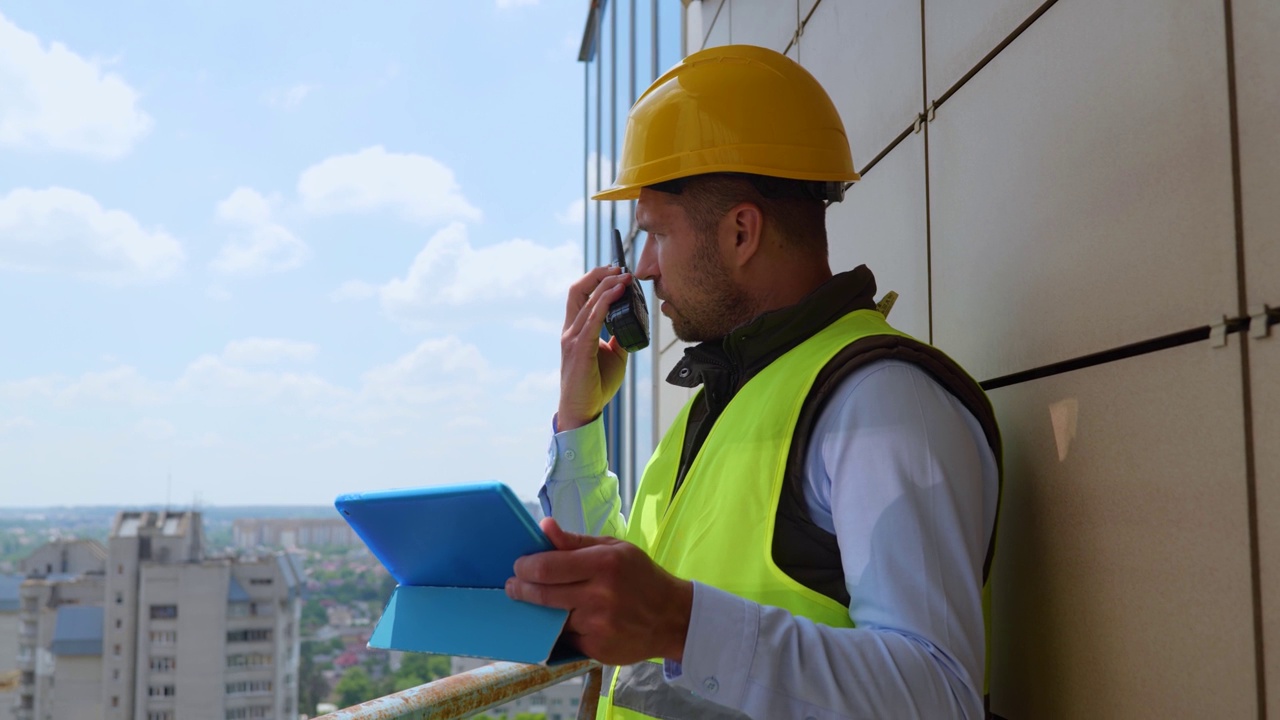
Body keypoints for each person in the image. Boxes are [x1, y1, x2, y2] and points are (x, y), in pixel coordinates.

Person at [505, 44, 1002, 720]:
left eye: (654, 234)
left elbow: (939, 696)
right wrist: (578, 419)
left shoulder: (883, 403)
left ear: (741, 232)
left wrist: (682, 623)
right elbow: (623, 592)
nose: (643, 270)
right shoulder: (722, 403)